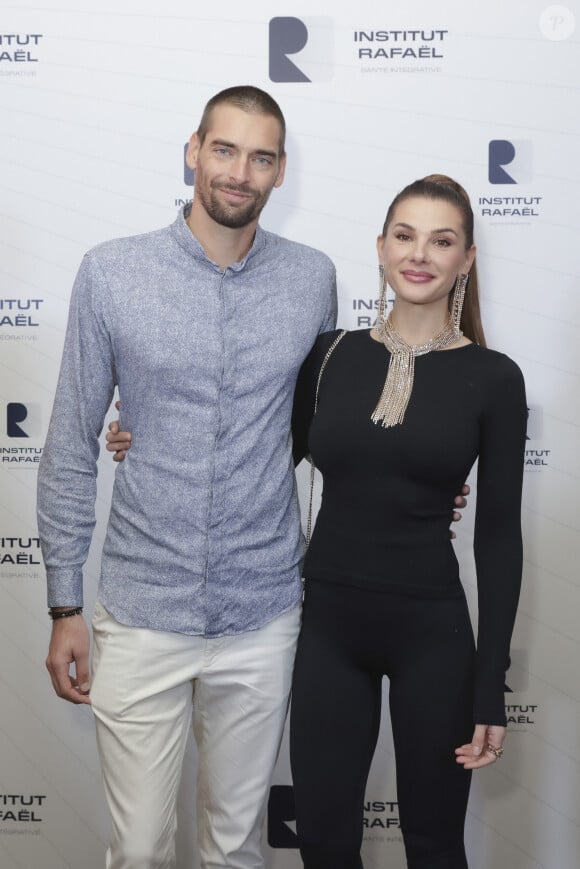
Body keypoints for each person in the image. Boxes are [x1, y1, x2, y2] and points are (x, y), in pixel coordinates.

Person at [37, 85, 339, 869]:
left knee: (236, 846)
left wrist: (423, 477)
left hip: (263, 607)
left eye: (261, 156)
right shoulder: (111, 272)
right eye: (224, 149)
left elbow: (317, 433)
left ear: (280, 173)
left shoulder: (312, 280)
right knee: (139, 851)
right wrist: (64, 601)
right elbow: (70, 440)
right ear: (192, 152)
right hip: (142, 606)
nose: (239, 172)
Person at [287, 174, 527, 868]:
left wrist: (491, 684)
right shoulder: (328, 354)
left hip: (434, 638)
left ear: (466, 259)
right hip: (328, 628)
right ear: (382, 245)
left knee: (432, 846)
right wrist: (138, 433)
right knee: (326, 847)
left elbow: (499, 537)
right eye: (405, 234)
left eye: (441, 239)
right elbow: (260, 453)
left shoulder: (495, 377)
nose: (419, 253)